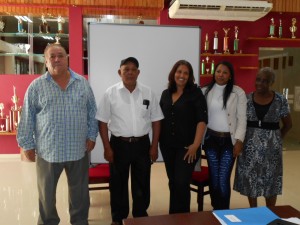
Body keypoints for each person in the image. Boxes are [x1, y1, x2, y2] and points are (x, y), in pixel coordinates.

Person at [17, 44, 99, 225]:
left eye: (60, 55)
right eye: (52, 56)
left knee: (80, 195)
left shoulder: (82, 84)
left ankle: (79, 222)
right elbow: (27, 117)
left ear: (67, 58)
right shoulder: (36, 87)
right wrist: (27, 145)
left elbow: (92, 112)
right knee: (46, 197)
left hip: (77, 150)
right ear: (46, 61)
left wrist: (92, 135)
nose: (56, 59)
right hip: (48, 152)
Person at [96, 57, 164, 225]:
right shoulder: (110, 93)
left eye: (134, 69)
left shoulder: (148, 92)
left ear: (138, 72)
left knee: (142, 182)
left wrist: (154, 146)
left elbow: (156, 120)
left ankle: (140, 215)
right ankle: (118, 218)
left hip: (142, 144)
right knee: (118, 183)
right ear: (120, 72)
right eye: (126, 69)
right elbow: (102, 122)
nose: (130, 72)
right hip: (119, 144)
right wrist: (107, 147)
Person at [234, 67, 292, 207]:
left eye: (265, 81)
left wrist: (277, 140)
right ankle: (253, 210)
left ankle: (270, 212)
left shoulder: (280, 100)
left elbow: (288, 125)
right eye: (258, 79)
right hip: (249, 149)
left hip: (272, 152)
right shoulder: (246, 99)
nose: (260, 83)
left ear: (271, 82)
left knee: (271, 181)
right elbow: (240, 123)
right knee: (250, 179)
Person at [159, 60, 207, 214]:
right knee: (173, 182)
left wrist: (195, 145)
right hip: (167, 146)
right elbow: (160, 118)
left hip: (188, 147)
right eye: (179, 72)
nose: (182, 75)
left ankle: (183, 218)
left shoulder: (195, 94)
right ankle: (174, 216)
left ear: (190, 76)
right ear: (173, 73)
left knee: (181, 182)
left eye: (186, 73)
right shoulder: (165, 94)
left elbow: (202, 120)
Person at [202, 61, 247, 210]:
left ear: (230, 76)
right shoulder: (205, 91)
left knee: (223, 178)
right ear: (214, 73)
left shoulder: (237, 92)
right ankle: (216, 209)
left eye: (225, 72)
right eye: (218, 71)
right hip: (211, 140)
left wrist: (239, 141)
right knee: (214, 178)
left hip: (229, 141)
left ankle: (223, 212)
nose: (221, 75)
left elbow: (242, 118)